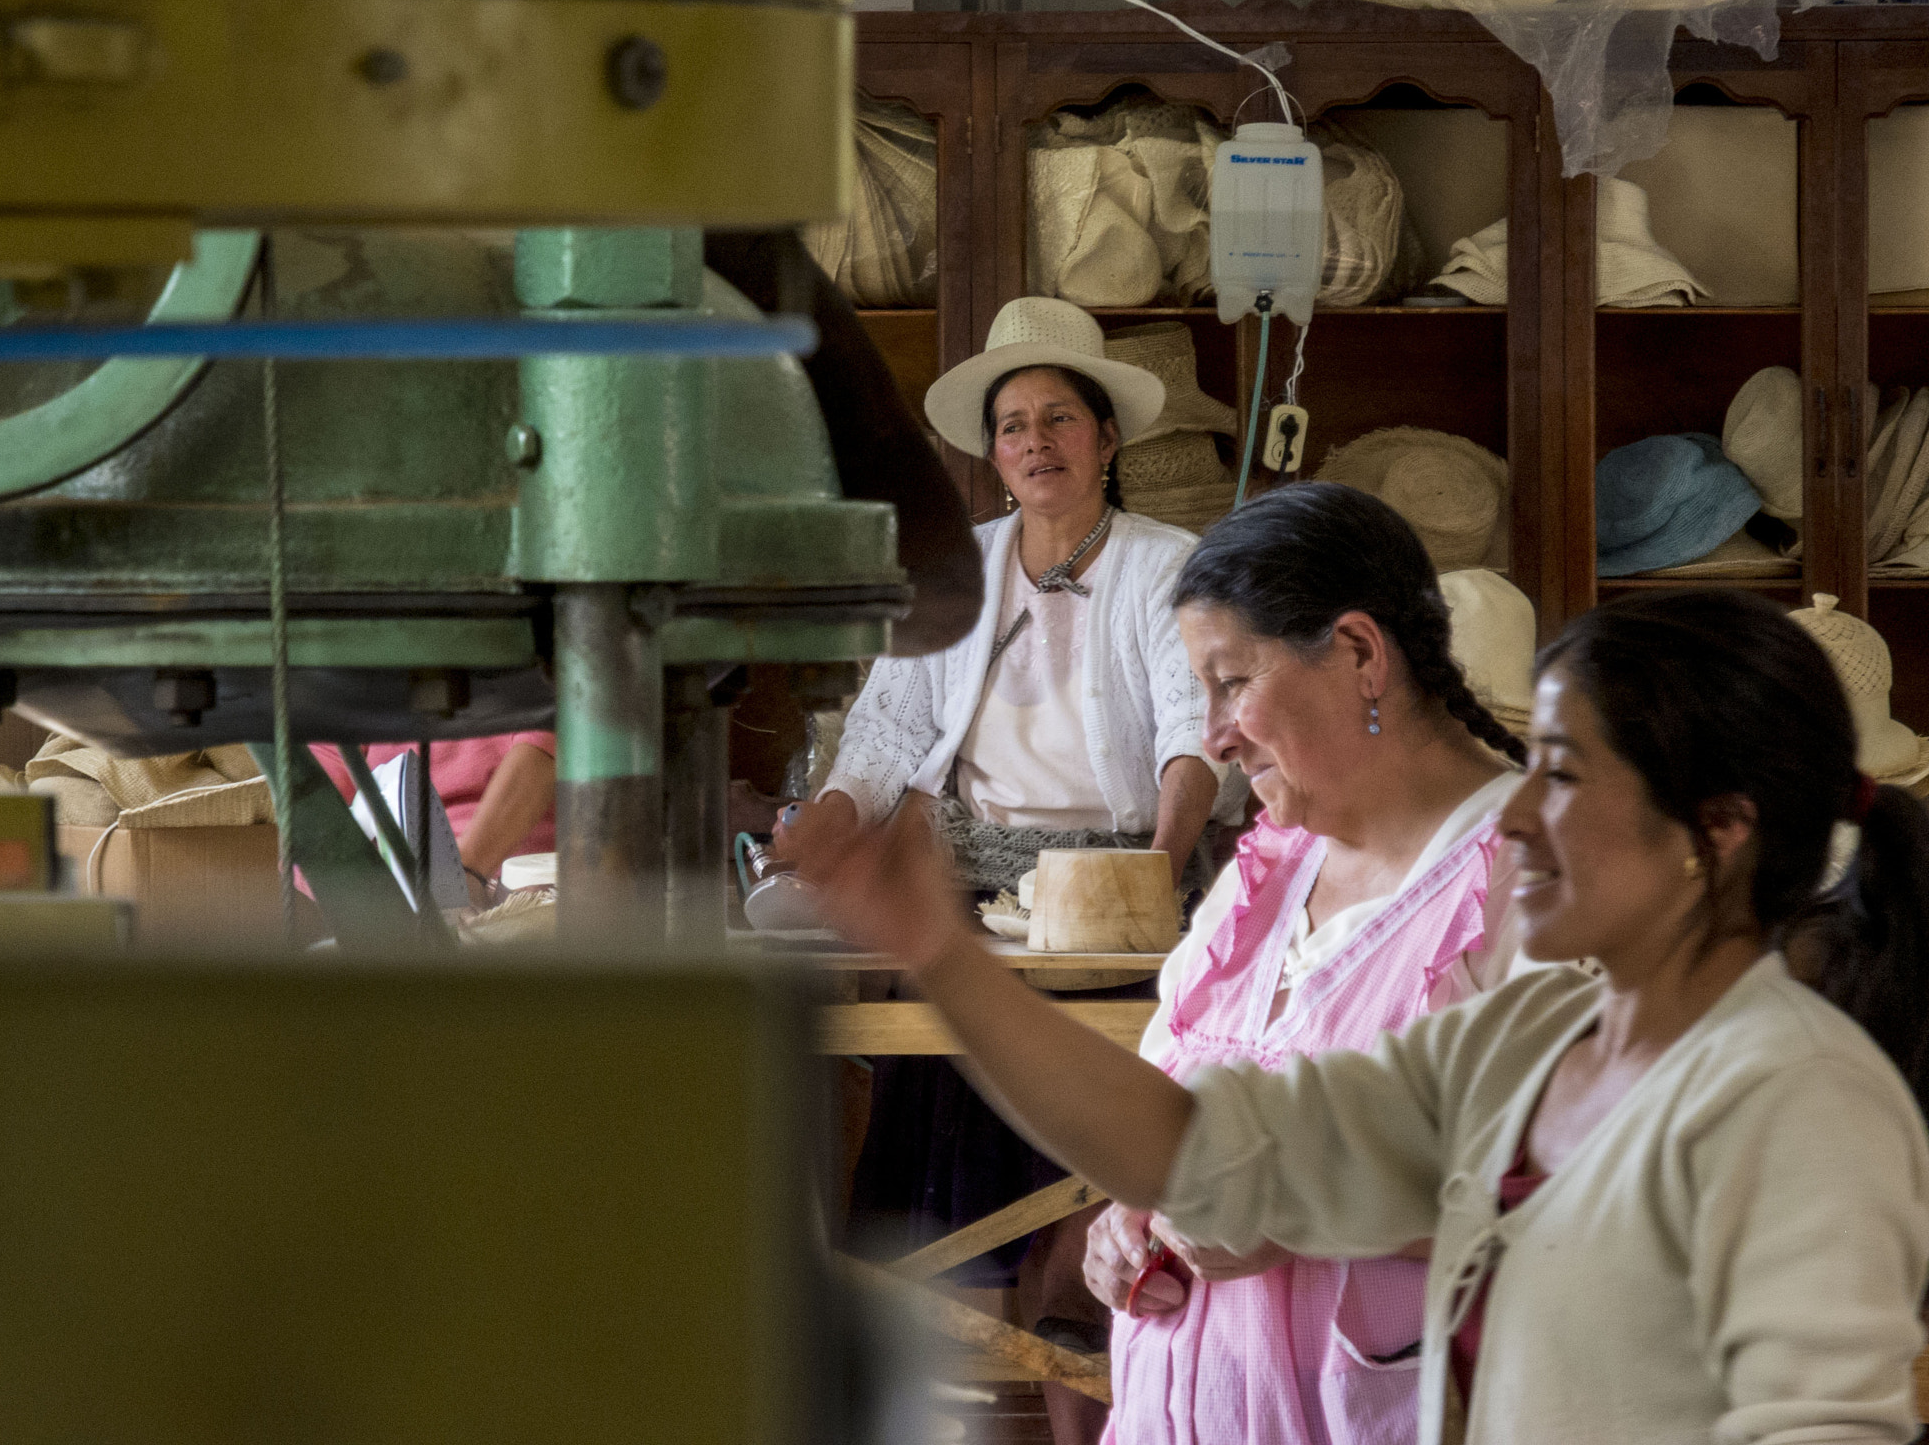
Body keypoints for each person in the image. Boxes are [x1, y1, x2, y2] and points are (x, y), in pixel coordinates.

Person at [806, 586, 1929, 1445]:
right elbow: (1194, 1150)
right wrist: (940, 956)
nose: (1521, 815)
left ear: (1715, 830)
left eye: (1563, 775)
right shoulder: (1521, 1049)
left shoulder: (1796, 1100)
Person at [770, 295, 1234, 1445]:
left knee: (1090, 1229)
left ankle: (1095, 1418)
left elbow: (1191, 732)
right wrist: (823, 825)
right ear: (992, 452)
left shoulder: (1164, 566)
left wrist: (1149, 879)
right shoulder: (960, 570)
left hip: (1115, 892)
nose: (1036, 441)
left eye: (1059, 419)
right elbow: (881, 736)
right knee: (952, 1221)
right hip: (975, 901)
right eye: (1014, 424)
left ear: (1106, 440)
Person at [1064, 486, 1530, 1445]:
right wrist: (1128, 1217)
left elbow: (1609, 1206)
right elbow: (1173, 1117)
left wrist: (1304, 1216)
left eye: (1231, 682)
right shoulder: (1269, 871)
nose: (1213, 734)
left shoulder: (1535, 877)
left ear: (1361, 653)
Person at [314, 733, 554, 907]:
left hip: (516, 882)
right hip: (392, 888)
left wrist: (462, 873)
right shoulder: (350, 684)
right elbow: (316, 813)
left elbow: (543, 749)